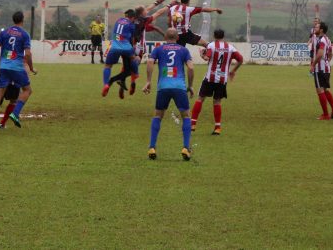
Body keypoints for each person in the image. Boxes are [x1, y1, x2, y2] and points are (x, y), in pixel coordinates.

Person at [142, 28, 195, 161]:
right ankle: (185, 148)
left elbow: (149, 62)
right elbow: (191, 67)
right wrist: (190, 85)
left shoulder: (159, 49)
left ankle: (152, 147)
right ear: (178, 38)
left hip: (163, 87)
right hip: (179, 87)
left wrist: (148, 81)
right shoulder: (183, 50)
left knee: (158, 116)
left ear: (165, 37)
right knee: (186, 116)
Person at [0, 11, 37, 132]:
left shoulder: (4, 32)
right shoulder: (24, 34)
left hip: (4, 67)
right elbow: (28, 53)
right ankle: (15, 114)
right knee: (27, 90)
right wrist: (31, 68)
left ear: (13, 20)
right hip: (17, 68)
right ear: (22, 20)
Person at [191, 29, 243, 135]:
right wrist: (233, 71)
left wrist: (201, 54)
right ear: (223, 36)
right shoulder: (230, 48)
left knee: (200, 99)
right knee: (217, 102)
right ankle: (217, 128)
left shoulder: (211, 46)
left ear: (214, 36)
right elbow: (240, 59)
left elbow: (206, 58)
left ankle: (192, 124)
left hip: (210, 77)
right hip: (222, 79)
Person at [101, 9, 136, 97]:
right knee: (134, 61)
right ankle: (134, 78)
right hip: (127, 47)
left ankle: (106, 84)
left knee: (108, 66)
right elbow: (132, 38)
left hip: (115, 46)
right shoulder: (131, 25)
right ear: (132, 18)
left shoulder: (118, 20)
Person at [310, 21, 333, 120]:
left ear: (321, 30)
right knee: (325, 89)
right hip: (326, 67)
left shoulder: (321, 40)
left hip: (320, 68)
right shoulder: (327, 39)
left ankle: (325, 114)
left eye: (317, 27)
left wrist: (313, 65)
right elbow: (330, 54)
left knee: (320, 90)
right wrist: (326, 62)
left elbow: (320, 54)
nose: (315, 28)